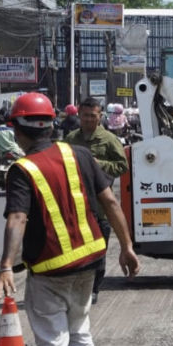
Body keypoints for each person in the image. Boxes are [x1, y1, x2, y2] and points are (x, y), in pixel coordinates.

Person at [0, 92, 140, 346]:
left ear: (17, 129)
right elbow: (110, 201)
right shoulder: (80, 154)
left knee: (54, 342)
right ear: (52, 124)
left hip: (50, 268)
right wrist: (127, 247)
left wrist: (6, 266)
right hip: (89, 260)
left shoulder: (23, 169)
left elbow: (17, 217)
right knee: (80, 332)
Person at [63, 97, 129, 304]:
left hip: (100, 209)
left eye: (93, 115)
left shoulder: (109, 140)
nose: (89, 119)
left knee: (98, 253)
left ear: (100, 116)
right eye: (85, 115)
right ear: (79, 116)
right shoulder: (71, 139)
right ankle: (76, 289)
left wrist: (98, 164)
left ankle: (94, 289)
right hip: (75, 207)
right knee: (75, 252)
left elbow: (122, 166)